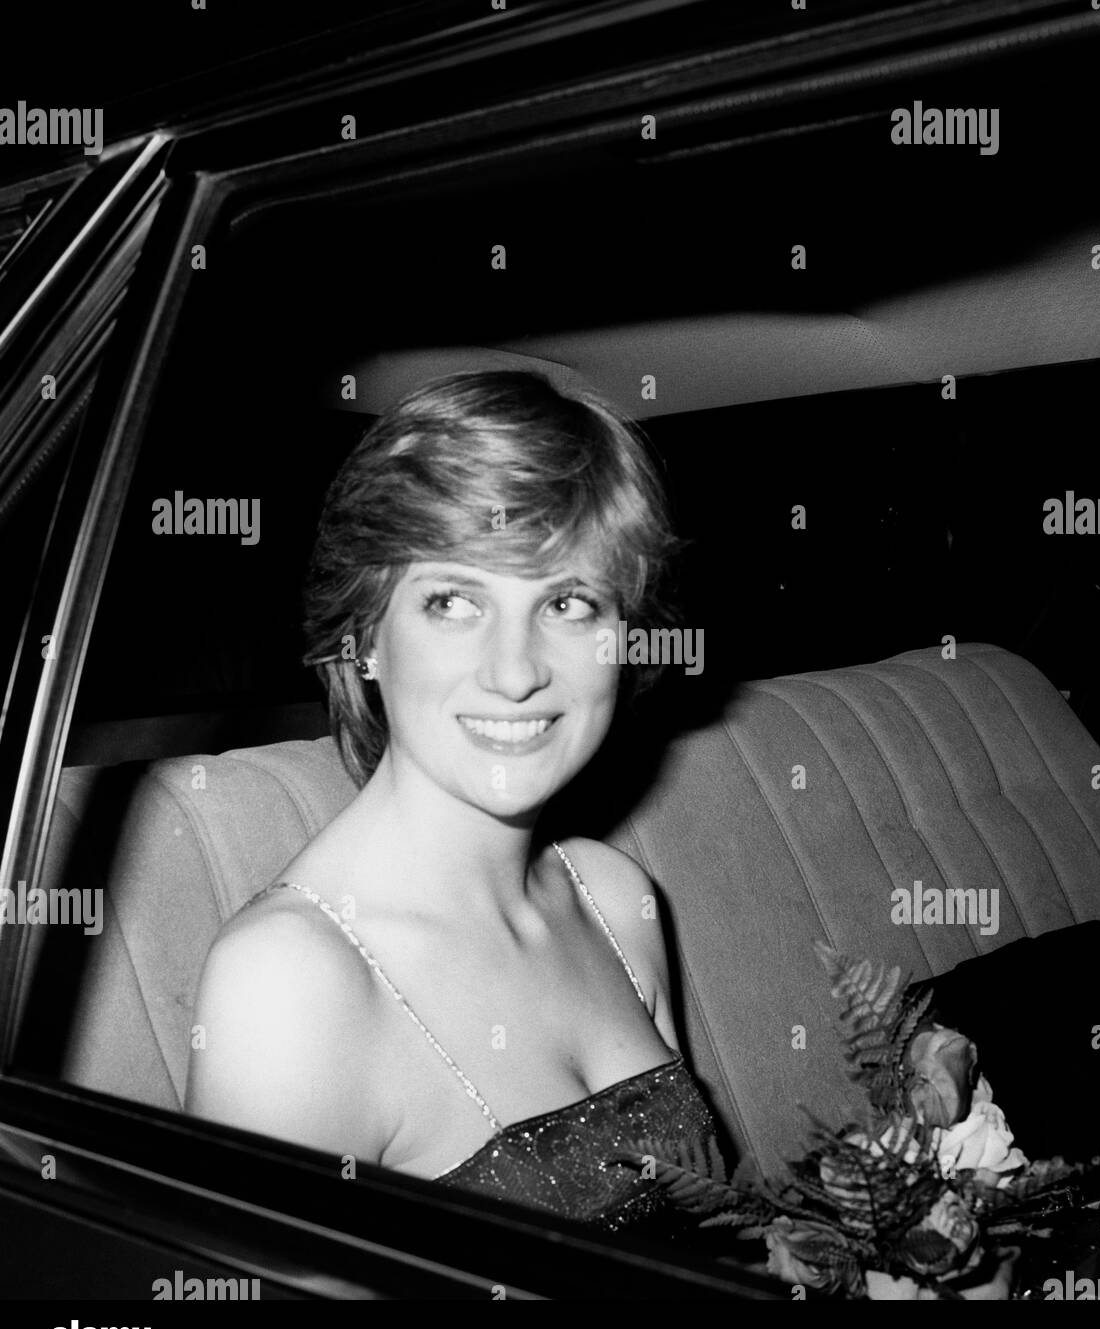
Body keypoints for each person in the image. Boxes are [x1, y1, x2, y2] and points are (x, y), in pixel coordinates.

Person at [185, 370, 718, 1232]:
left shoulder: (617, 901)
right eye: (454, 601)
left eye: (570, 603)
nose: (516, 672)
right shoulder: (291, 985)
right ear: (363, 635)